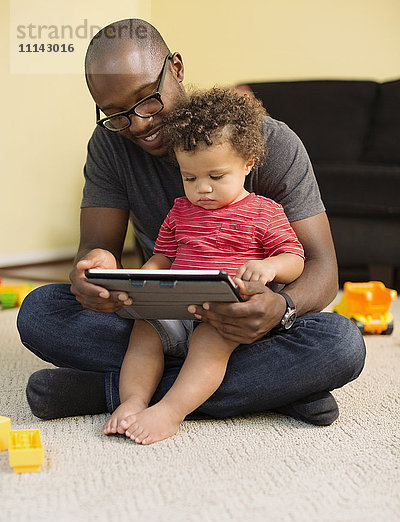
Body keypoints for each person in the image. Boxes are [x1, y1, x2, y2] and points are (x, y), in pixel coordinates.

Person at [17, 18, 366, 427]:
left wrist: (279, 309)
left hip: (247, 322)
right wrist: (94, 273)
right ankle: (274, 388)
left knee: (341, 344)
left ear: (176, 69)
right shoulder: (111, 144)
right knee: (39, 311)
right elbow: (98, 249)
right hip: (164, 314)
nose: (139, 124)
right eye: (115, 114)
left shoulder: (269, 142)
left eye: (147, 99)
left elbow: (322, 269)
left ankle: (107, 391)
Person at [103, 88, 305, 444]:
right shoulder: (181, 211)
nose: (203, 189)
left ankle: (171, 410)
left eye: (216, 176)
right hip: (178, 306)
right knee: (142, 332)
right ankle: (133, 401)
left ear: (248, 163)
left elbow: (295, 259)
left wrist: (270, 266)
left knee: (216, 340)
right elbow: (163, 257)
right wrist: (143, 279)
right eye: (190, 178)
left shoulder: (264, 211)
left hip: (226, 317)